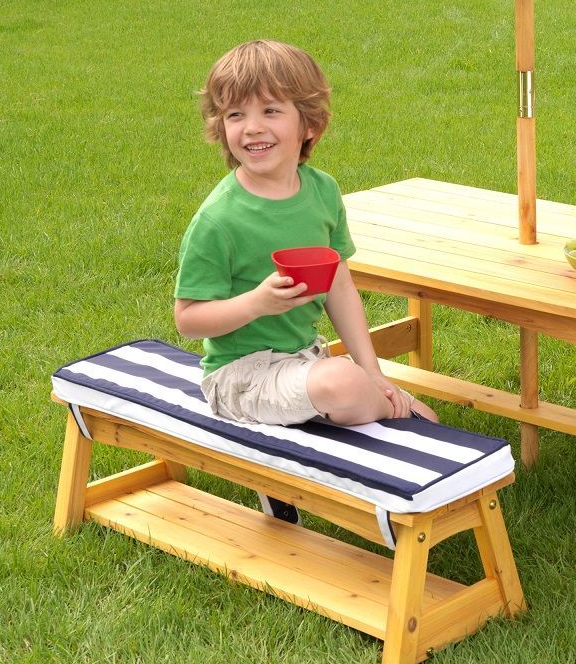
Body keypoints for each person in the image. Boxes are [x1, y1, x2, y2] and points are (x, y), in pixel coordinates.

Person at [174, 40, 435, 428]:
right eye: (235, 114)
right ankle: (390, 415)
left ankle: (375, 409)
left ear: (309, 124)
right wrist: (257, 303)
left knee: (426, 416)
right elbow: (188, 320)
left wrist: (374, 372)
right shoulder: (219, 219)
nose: (252, 127)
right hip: (241, 376)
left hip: (306, 360)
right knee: (344, 384)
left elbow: (340, 287)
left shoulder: (322, 191)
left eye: (271, 111)